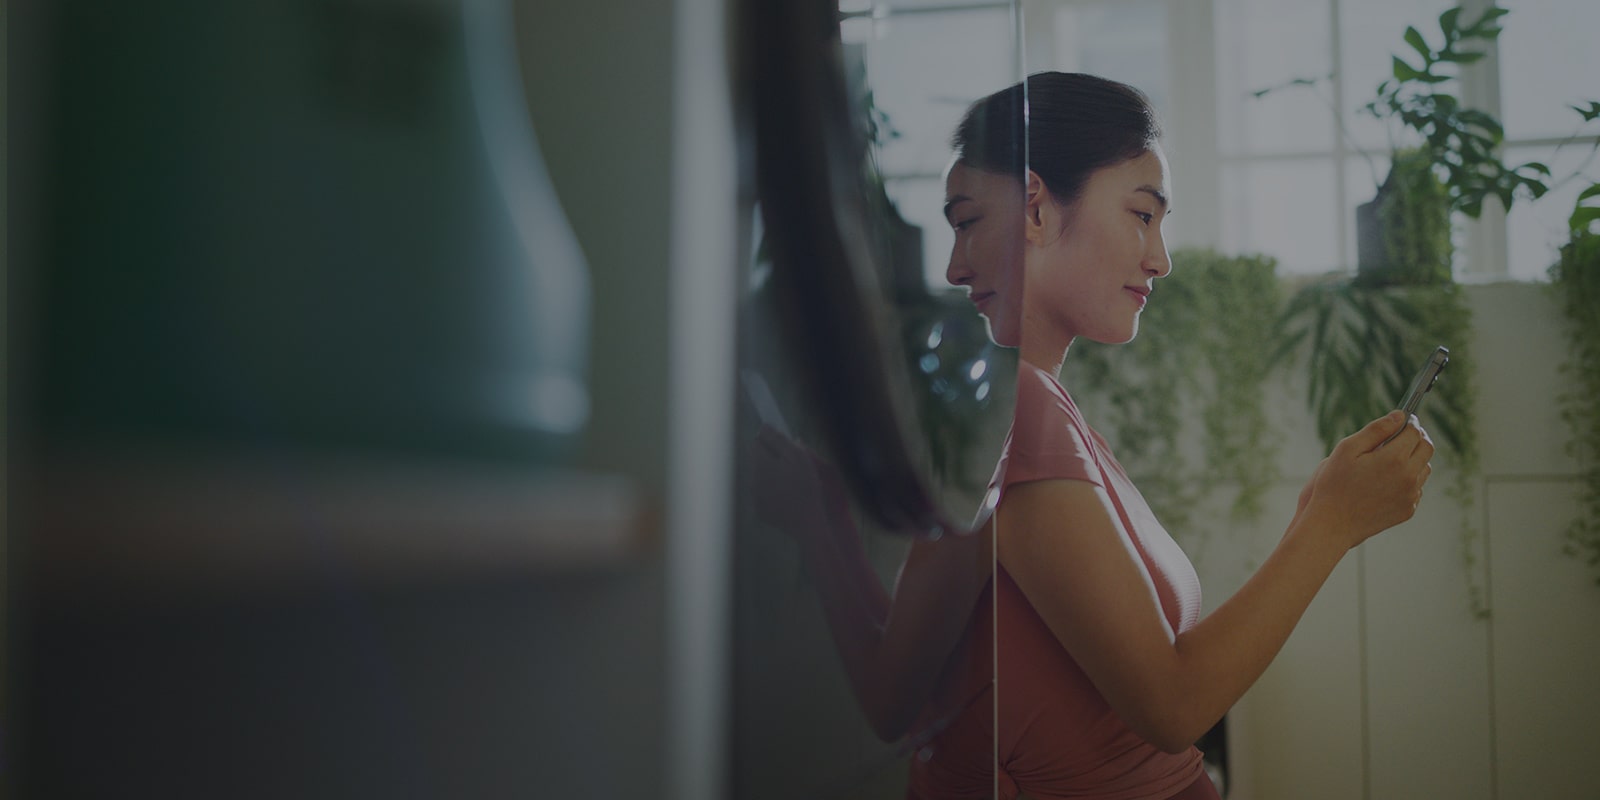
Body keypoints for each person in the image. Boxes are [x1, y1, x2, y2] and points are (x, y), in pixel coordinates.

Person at [753, 71, 1435, 800]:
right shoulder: (1023, 418)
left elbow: (892, 696)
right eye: (1142, 214)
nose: (1160, 258)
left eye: (968, 224)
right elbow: (1173, 707)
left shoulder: (1027, 416)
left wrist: (820, 521)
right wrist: (1329, 524)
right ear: (1038, 209)